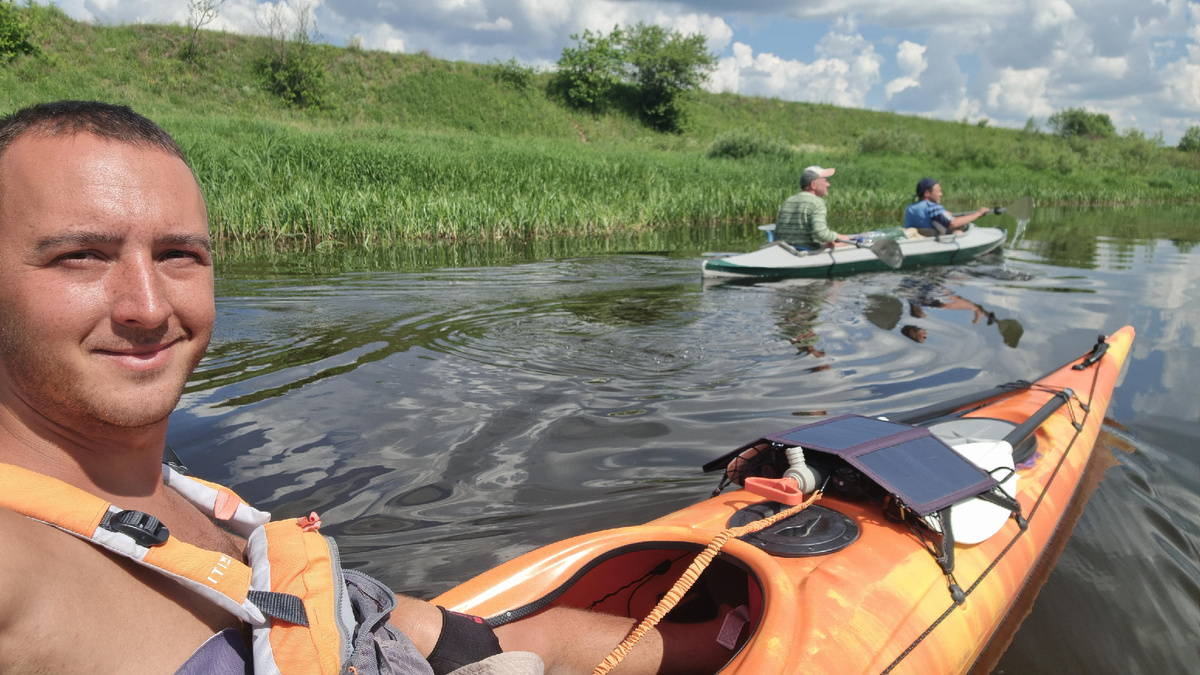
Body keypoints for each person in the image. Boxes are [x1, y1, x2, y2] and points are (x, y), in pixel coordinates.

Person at [0, 101, 737, 675]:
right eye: (80, 256)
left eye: (179, 255)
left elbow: (466, 635)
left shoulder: (182, 498)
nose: (149, 305)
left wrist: (726, 639)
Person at [774, 165, 855, 250]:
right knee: (846, 243)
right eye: (825, 180)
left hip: (786, 249)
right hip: (808, 250)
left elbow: (779, 232)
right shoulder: (817, 203)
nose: (828, 184)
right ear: (813, 185)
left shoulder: (788, 201)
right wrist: (840, 237)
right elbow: (820, 233)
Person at [903, 178, 990, 236]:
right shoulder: (932, 207)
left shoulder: (910, 207)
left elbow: (928, 218)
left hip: (917, 238)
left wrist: (944, 214)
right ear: (927, 193)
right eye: (938, 191)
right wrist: (978, 214)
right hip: (928, 243)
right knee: (958, 232)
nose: (941, 194)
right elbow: (952, 224)